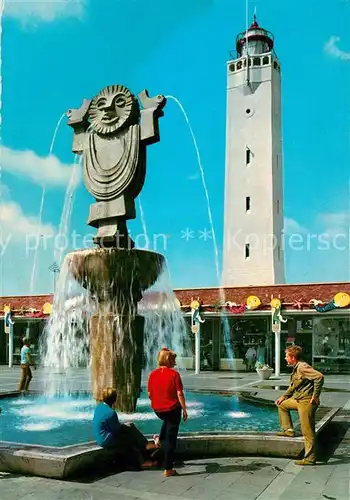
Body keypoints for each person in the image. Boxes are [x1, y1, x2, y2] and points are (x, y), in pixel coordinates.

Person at [275, 345, 324, 466]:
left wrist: (315, 396)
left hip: (307, 402)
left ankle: (310, 458)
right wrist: (284, 397)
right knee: (282, 405)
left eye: (287, 356)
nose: (285, 358)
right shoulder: (296, 367)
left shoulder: (302, 367)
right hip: (298, 399)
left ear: (293, 357)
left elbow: (319, 377)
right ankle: (288, 430)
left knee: (307, 431)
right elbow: (294, 385)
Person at [92, 387, 159, 469]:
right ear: (115, 399)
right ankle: (143, 460)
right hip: (106, 440)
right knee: (131, 438)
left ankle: (145, 445)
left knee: (130, 426)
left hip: (100, 437)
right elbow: (117, 430)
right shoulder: (111, 413)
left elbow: (113, 427)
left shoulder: (99, 407)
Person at [148, 348, 188, 478]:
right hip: (172, 410)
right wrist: (185, 410)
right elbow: (179, 394)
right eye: (174, 359)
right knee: (171, 440)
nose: (175, 362)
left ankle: (159, 439)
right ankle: (168, 468)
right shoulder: (174, 374)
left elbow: (149, 394)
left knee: (167, 421)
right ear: (169, 360)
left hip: (158, 410)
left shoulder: (152, 374)